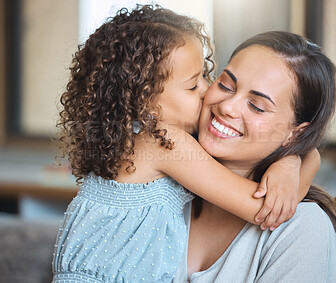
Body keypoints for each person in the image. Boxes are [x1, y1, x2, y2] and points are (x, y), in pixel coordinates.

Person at [52, 6, 319, 283]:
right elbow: (264, 210)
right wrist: (301, 158)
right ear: (145, 102)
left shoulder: (133, 142)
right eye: (193, 86)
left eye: (205, 75)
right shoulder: (162, 142)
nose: (207, 91)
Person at [174, 31, 336, 282]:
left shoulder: (303, 229)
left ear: (295, 134)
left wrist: (295, 158)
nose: (227, 107)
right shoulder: (159, 184)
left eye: (257, 106)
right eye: (225, 85)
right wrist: (294, 158)